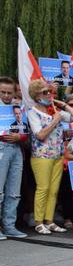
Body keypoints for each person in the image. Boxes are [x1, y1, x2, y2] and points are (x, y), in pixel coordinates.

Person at [27, 80, 73, 234]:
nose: (49, 94)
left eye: (49, 91)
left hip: (57, 155)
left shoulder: (54, 110)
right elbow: (40, 135)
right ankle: (38, 221)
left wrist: (62, 104)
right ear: (36, 96)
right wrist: (55, 121)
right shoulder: (33, 112)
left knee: (54, 190)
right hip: (41, 156)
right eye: (45, 92)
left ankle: (49, 220)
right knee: (43, 188)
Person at [0, 77, 28, 239]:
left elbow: (25, 133)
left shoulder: (18, 109)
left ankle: (9, 225)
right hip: (1, 149)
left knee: (13, 191)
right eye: (2, 92)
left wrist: (19, 138)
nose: (6, 95)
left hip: (16, 150)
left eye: (9, 93)